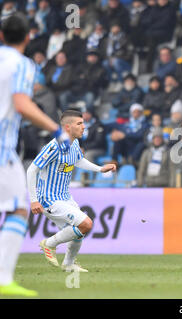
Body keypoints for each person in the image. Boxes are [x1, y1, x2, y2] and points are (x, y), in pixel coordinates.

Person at [0, 13, 70, 297]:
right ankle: (3, 278)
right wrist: (57, 130)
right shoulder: (22, 64)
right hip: (2, 149)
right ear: (28, 37)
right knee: (18, 208)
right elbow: (20, 103)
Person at [26, 110, 116, 273]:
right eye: (79, 124)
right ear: (67, 127)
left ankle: (68, 264)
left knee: (79, 231)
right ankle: (49, 244)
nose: (84, 127)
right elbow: (32, 170)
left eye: (83, 123)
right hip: (48, 198)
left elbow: (79, 160)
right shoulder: (53, 146)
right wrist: (33, 200)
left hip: (64, 196)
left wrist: (100, 169)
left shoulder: (73, 143)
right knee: (86, 224)